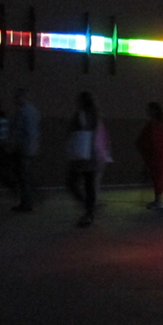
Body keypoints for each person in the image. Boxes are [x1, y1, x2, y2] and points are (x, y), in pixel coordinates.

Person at [65, 91, 100, 227]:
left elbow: (72, 132)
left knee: (72, 183)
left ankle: (88, 210)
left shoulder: (80, 115)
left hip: (81, 155)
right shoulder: (96, 115)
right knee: (89, 185)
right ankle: (89, 211)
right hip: (92, 154)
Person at [135, 101, 163, 210]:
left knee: (158, 178)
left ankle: (158, 201)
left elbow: (148, 139)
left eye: (148, 109)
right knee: (158, 178)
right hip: (160, 155)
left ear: (152, 110)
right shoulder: (161, 123)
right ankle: (158, 200)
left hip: (157, 155)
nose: (147, 112)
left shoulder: (154, 124)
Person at [11, 88, 40, 212]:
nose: (15, 100)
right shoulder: (34, 111)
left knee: (23, 176)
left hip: (23, 148)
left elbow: (19, 132)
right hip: (31, 148)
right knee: (26, 175)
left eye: (17, 97)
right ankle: (28, 200)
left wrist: (14, 143)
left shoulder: (22, 112)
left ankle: (26, 203)